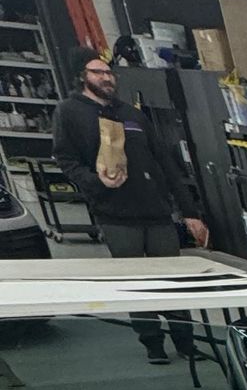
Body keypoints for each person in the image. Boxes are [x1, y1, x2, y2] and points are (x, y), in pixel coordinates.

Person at [52, 52, 208, 258]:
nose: (106, 77)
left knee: (171, 272)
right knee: (135, 276)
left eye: (109, 72)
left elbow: (164, 161)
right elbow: (66, 160)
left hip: (156, 211)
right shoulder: (69, 112)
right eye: (97, 72)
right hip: (115, 214)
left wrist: (189, 212)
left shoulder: (131, 114)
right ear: (82, 76)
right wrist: (95, 181)